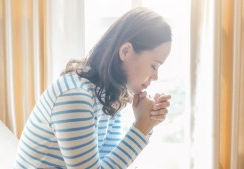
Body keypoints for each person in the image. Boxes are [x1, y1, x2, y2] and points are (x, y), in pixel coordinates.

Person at [15, 7, 172, 169]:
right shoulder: (75, 97)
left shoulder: (109, 95)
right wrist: (142, 127)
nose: (156, 77)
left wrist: (147, 122)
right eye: (154, 66)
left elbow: (108, 164)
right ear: (125, 51)